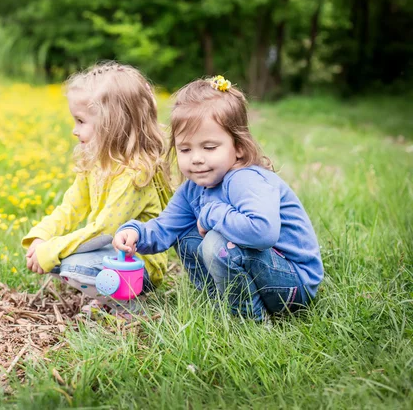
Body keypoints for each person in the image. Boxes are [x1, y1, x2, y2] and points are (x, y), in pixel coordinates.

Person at [113, 76, 324, 320]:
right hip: (263, 271)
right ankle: (220, 305)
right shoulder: (193, 188)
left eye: (209, 147)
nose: (197, 158)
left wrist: (211, 214)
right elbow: (165, 229)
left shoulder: (245, 179)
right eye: (185, 149)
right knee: (185, 235)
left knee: (216, 243)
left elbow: (263, 232)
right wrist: (135, 233)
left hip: (293, 284)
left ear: (239, 147)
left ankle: (248, 322)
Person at [22, 62, 172, 310]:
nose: (74, 130)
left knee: (72, 265)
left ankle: (129, 306)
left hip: (138, 265)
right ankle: (109, 297)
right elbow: (70, 207)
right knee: (59, 258)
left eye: (81, 121)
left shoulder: (134, 174)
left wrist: (52, 251)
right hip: (110, 251)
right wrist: (41, 237)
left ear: (112, 124)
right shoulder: (97, 164)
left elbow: (104, 230)